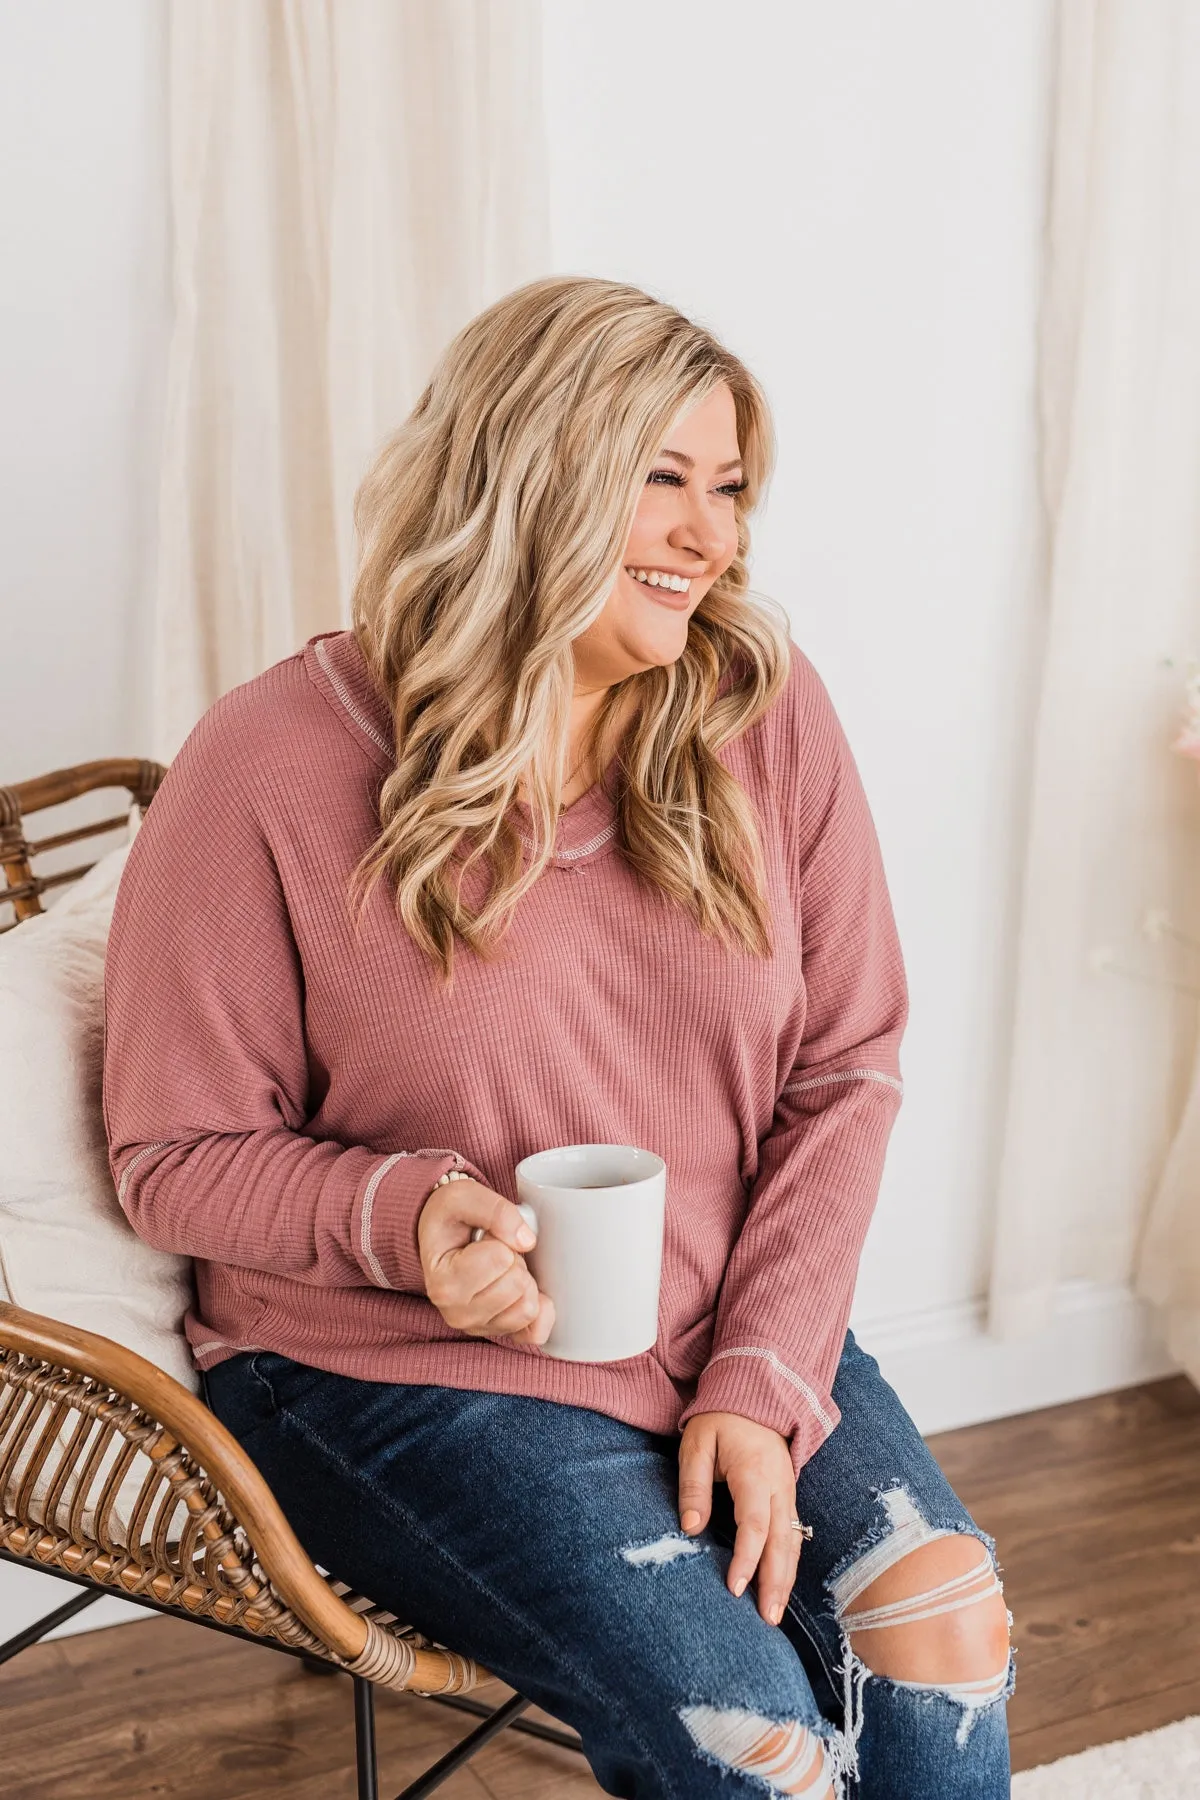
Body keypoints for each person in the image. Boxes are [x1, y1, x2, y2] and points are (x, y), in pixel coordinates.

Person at [103, 275, 1015, 1798]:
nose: (710, 537)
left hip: (724, 1326)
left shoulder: (761, 714)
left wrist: (764, 1373)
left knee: (941, 1640)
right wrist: (406, 1216)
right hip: (398, 1367)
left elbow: (848, 1070)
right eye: (661, 479)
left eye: (728, 491)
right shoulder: (270, 761)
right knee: (763, 1747)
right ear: (527, 474)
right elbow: (173, 1155)